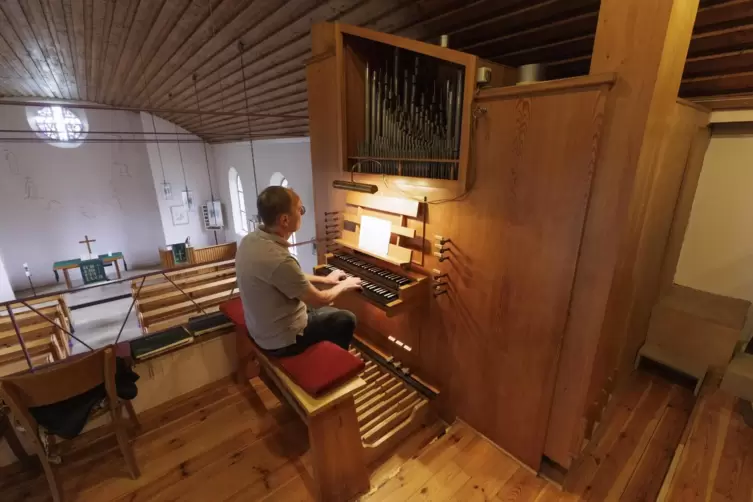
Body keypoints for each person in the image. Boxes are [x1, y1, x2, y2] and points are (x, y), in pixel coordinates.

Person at [236, 185, 362, 357]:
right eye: (299, 209)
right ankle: (334, 364)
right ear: (285, 220)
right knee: (346, 318)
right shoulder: (279, 260)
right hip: (280, 341)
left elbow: (286, 277)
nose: (302, 213)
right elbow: (320, 300)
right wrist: (345, 284)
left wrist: (326, 281)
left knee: (326, 309)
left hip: (261, 327)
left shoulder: (250, 240)